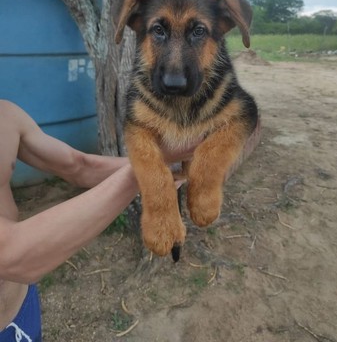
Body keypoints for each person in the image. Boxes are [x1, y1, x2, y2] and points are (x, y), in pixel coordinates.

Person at [0, 100, 194, 341]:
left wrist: (167, 163)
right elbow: (13, 257)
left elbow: (79, 166)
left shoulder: (6, 115)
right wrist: (148, 168)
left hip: (22, 305)